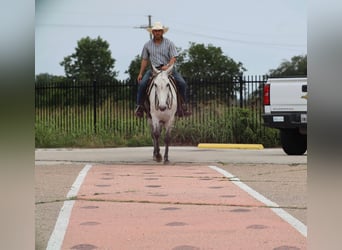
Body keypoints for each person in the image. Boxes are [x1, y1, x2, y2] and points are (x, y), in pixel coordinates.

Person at [135, 21, 191, 118]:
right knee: (142, 84)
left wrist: (168, 65)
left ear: (162, 32)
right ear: (152, 32)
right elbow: (144, 60)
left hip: (168, 69)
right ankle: (139, 107)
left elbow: (174, 57)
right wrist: (140, 73)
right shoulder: (147, 45)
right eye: (155, 31)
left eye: (159, 31)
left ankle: (183, 105)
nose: (157, 33)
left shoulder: (169, 43)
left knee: (182, 83)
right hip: (154, 70)